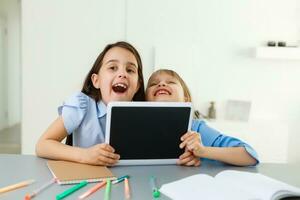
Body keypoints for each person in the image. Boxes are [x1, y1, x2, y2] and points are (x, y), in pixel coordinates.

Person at [36, 41, 145, 166]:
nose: (122, 74)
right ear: (96, 80)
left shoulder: (142, 117)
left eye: (130, 70)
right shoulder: (82, 106)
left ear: (137, 86)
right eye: (112, 68)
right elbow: (42, 145)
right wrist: (85, 155)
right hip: (86, 181)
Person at [146, 69, 258, 167]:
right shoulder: (140, 127)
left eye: (170, 82)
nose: (161, 84)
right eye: (153, 84)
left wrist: (203, 151)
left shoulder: (196, 128)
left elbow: (250, 156)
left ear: (186, 99)